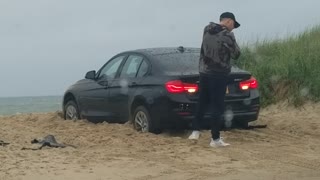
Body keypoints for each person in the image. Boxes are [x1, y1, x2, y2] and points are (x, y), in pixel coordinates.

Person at [188, 12, 241, 147]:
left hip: (204, 72)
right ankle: (215, 139)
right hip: (219, 74)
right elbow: (236, 54)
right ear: (229, 21)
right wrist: (231, 39)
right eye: (233, 25)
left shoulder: (207, 29)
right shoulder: (228, 35)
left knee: (202, 102)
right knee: (217, 106)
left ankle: (195, 131)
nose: (233, 28)